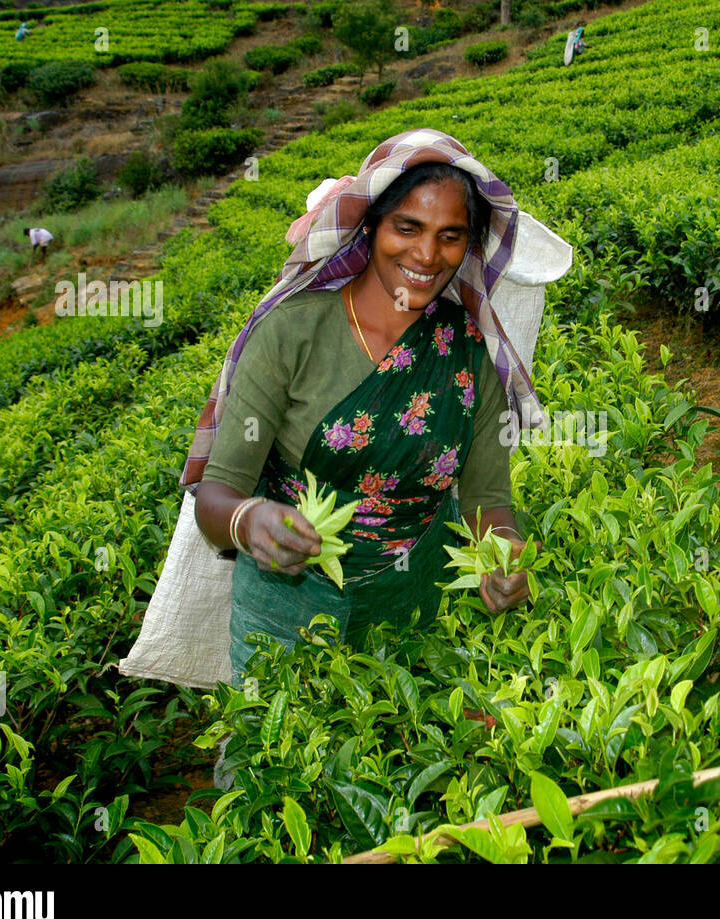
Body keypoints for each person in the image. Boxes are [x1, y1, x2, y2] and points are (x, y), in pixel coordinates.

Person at [185, 129, 545, 682]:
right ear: (370, 224)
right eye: (408, 228)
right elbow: (217, 492)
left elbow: (488, 501)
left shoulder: (472, 354)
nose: (427, 254)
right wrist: (248, 519)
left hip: (414, 612)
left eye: (450, 236)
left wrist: (506, 556)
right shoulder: (294, 332)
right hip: (286, 615)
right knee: (273, 761)